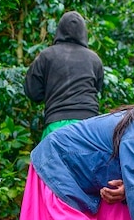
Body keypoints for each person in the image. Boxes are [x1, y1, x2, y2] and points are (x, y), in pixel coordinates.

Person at [24, 11, 105, 140]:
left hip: (56, 124)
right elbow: (98, 88)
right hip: (89, 126)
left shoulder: (47, 55)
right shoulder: (94, 59)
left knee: (47, 159)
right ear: (84, 33)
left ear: (59, 30)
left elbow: (33, 92)